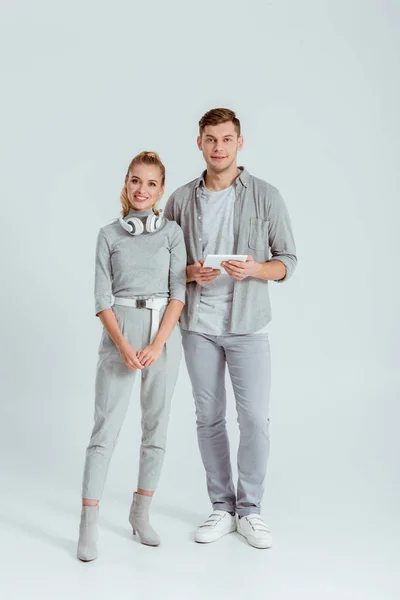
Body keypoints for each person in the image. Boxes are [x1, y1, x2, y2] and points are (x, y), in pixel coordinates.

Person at [164, 108, 297, 549]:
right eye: (210, 139)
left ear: (240, 143)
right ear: (199, 143)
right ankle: (222, 507)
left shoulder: (266, 195)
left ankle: (250, 510)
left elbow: (288, 262)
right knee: (209, 418)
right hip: (197, 326)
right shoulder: (180, 200)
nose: (218, 147)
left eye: (226, 139)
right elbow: (162, 267)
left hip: (247, 326)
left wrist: (258, 268)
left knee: (255, 419)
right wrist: (189, 272)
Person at [77, 151, 186, 561]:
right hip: (120, 334)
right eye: (136, 180)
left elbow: (179, 292)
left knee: (156, 428)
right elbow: (101, 298)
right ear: (126, 183)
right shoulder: (108, 234)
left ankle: (141, 513)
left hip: (162, 335)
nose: (143, 189)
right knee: (104, 430)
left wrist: (158, 344)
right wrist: (123, 345)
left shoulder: (172, 233)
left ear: (161, 190)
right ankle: (88, 523)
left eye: (152, 183)